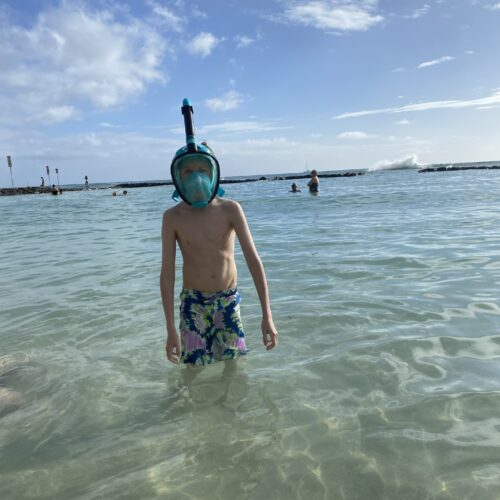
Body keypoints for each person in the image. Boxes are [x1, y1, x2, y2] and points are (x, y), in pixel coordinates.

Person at [160, 106, 278, 366]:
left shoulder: (230, 210)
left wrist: (266, 314)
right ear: (177, 177)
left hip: (227, 301)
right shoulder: (173, 217)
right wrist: (170, 329)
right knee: (192, 371)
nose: (196, 177)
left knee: (232, 369)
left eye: (202, 170)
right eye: (188, 172)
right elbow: (167, 274)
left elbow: (254, 261)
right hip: (193, 304)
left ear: (213, 173)